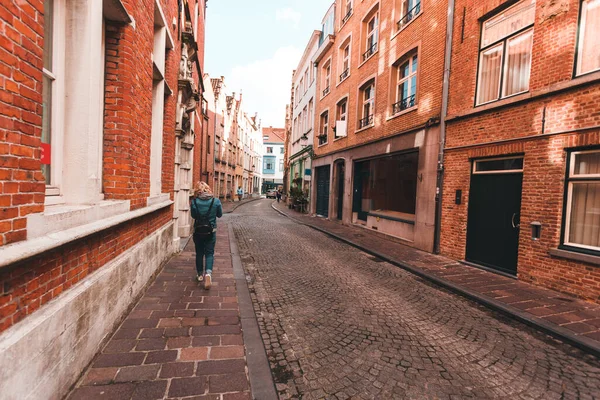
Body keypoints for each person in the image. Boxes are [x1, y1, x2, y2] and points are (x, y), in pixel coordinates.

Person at [190, 181, 223, 289]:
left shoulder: (194, 202)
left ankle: (200, 275)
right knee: (209, 253)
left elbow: (193, 215)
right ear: (208, 189)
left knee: (199, 253)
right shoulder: (216, 201)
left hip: (198, 231)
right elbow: (220, 215)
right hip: (211, 231)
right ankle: (208, 273)